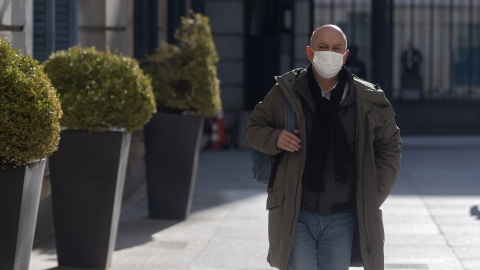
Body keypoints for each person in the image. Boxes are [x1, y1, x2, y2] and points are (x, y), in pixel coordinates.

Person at [245, 24, 402, 270]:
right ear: (309, 52)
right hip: (297, 216)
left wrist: (372, 194)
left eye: (336, 48)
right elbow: (254, 127)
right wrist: (275, 137)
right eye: (323, 47)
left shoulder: (367, 98)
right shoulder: (287, 91)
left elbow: (390, 146)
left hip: (343, 218)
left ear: (345, 55)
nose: (330, 53)